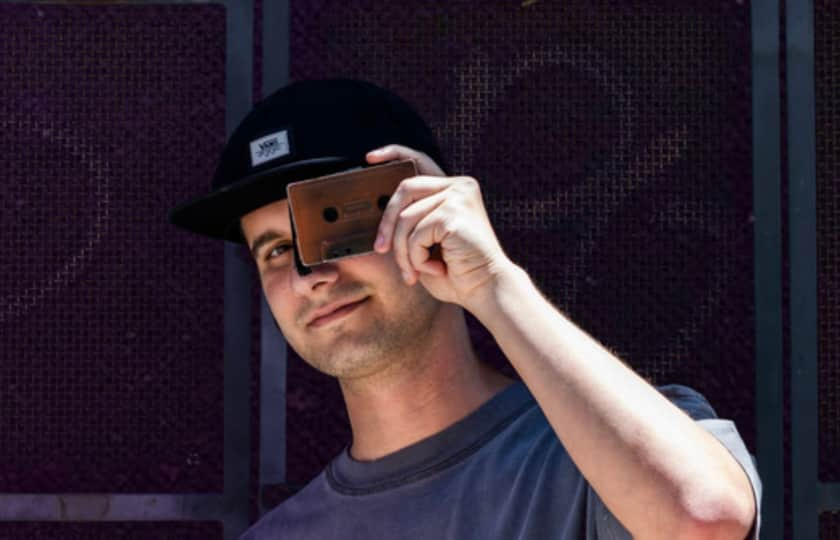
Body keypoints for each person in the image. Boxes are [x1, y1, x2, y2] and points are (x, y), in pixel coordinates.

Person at [169, 79, 761, 539]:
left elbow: (704, 519)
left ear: (428, 212)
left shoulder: (611, 444)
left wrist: (493, 282)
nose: (310, 277)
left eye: (331, 224)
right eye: (275, 251)